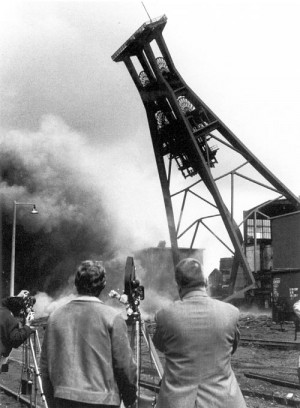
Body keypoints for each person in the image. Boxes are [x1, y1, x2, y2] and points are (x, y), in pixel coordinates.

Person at [41, 260, 137, 408]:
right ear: (103, 285)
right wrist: (129, 399)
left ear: (76, 284)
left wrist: (52, 401)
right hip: (103, 401)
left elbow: (45, 367)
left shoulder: (55, 316)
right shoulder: (112, 317)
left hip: (63, 399)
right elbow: (124, 367)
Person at [153, 258, 246, 408]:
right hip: (224, 402)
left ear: (179, 285)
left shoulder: (164, 316)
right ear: (206, 282)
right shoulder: (231, 313)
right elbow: (232, 348)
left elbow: (160, 345)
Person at [0, 290, 35, 372]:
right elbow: (15, 340)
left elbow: (5, 302)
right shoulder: (10, 320)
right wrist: (27, 325)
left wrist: (18, 298)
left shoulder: (2, 309)